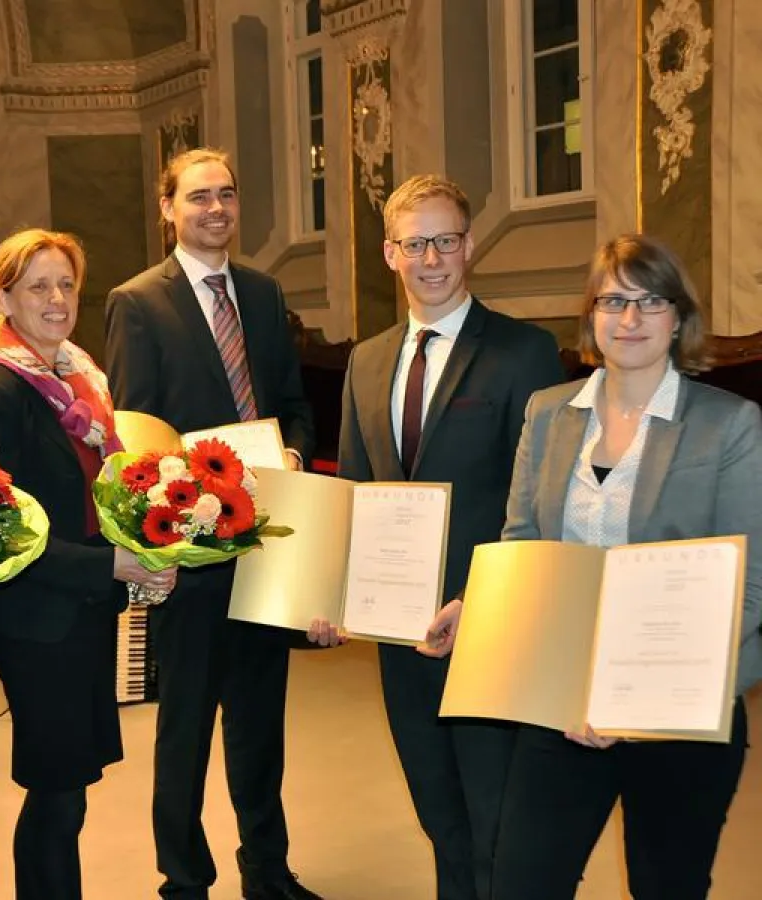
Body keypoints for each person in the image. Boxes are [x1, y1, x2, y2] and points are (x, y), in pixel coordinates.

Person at [475, 234, 762, 900]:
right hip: (563, 702)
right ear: (591, 315)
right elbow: (523, 549)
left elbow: (748, 588)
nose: (630, 318)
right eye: (613, 301)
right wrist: (489, 612)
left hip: (680, 711)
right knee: (521, 882)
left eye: (651, 301)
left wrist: (636, 701)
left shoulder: (730, 425)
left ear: (679, 318)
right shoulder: (547, 413)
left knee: (666, 886)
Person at [320, 174, 564, 900]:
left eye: (446, 240)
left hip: (490, 626)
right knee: (440, 818)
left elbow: (540, 501)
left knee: (497, 822)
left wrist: (477, 599)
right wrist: (334, 591)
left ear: (469, 245)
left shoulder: (524, 352)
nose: (431, 259)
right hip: (400, 637)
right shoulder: (367, 360)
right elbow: (356, 492)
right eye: (415, 243)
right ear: (390, 253)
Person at [106, 148, 318, 900]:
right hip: (191, 553)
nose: (216, 208)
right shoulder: (137, 301)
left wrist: (290, 453)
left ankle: (267, 870)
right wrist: (187, 502)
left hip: (267, 544)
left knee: (261, 725)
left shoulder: (262, 292)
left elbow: (292, 402)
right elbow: (135, 434)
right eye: (198, 196)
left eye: (226, 193)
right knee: (186, 731)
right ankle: (185, 882)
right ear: (168, 208)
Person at [0, 228, 176, 899]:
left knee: (71, 790)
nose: (56, 299)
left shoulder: (83, 381)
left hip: (82, 612)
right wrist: (110, 567)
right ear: (4, 299)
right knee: (55, 791)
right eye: (37, 287)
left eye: (66, 285)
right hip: (36, 621)